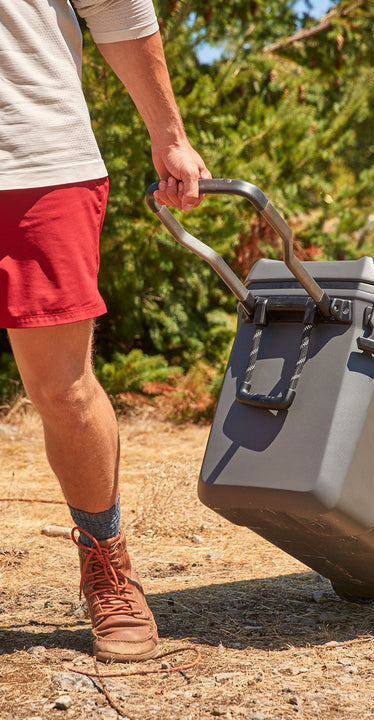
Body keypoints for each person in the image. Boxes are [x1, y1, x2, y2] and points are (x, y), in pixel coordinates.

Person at [0, 0, 211, 663]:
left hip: (37, 159)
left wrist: (169, 134)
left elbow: (118, 11)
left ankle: (107, 565)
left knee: (61, 389)